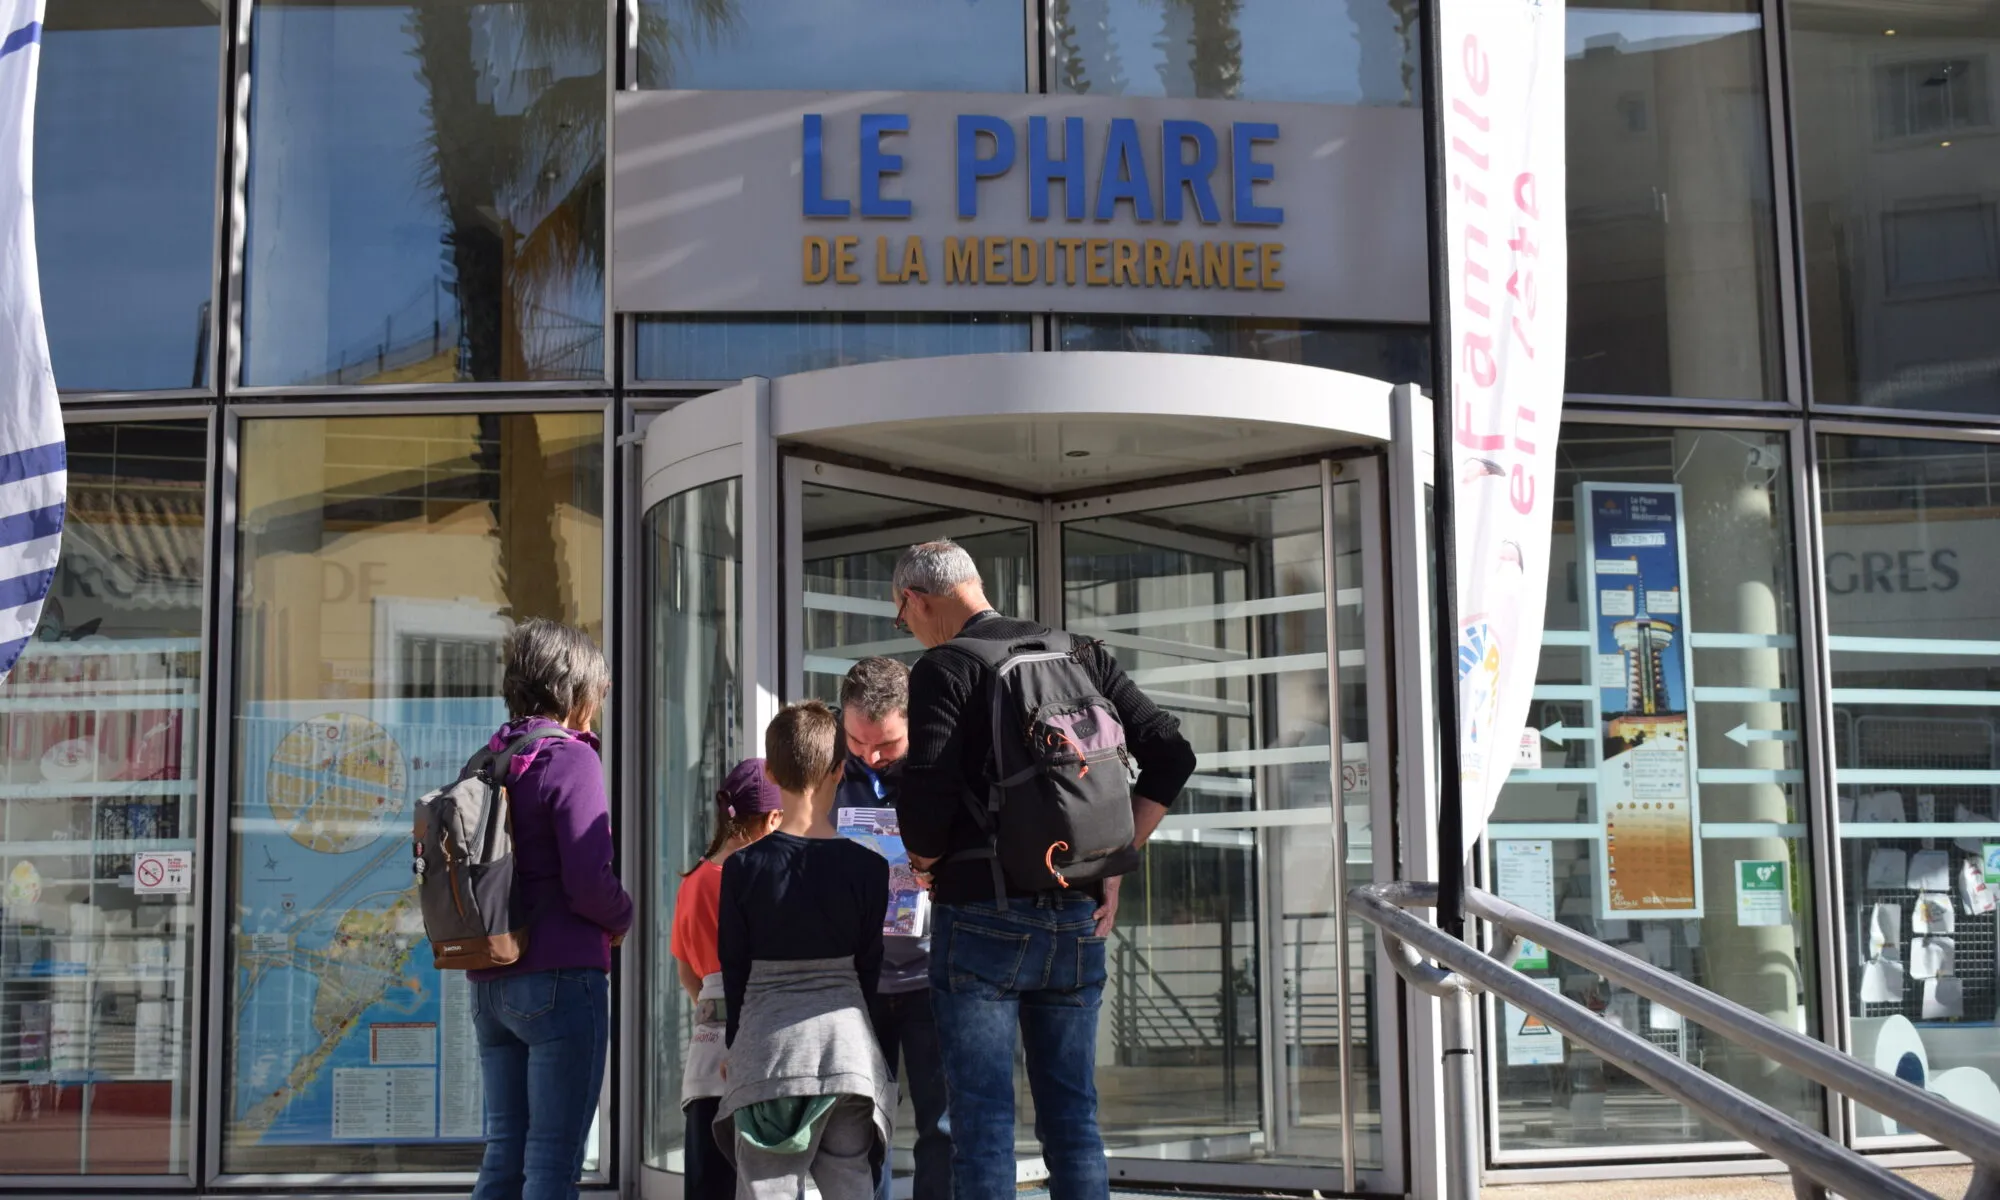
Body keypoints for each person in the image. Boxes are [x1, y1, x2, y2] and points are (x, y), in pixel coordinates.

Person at [889, 541, 1196, 1200]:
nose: (908, 627)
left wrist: (921, 860)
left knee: (982, 1123)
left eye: (902, 615)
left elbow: (927, 811)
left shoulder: (945, 668)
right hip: (1078, 916)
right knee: (1074, 1120)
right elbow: (1172, 755)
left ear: (917, 599)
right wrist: (1114, 860)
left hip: (982, 921)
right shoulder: (1082, 654)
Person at [469, 619, 632, 1200]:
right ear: (575, 690)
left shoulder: (488, 759)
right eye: (598, 693)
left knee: (504, 1152)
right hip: (561, 977)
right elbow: (589, 881)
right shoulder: (570, 759)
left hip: (490, 980)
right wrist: (623, 917)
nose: (599, 706)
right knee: (551, 1162)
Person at [716, 700, 895, 1200]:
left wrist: (735, 1042)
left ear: (770, 771)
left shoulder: (741, 869)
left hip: (767, 1051)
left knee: (767, 1185)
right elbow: (868, 969)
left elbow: (735, 967)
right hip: (846, 1051)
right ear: (841, 769)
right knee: (851, 1181)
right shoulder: (870, 869)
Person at [837, 657, 953, 1200]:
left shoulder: (941, 764)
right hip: (857, 980)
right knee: (862, 1127)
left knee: (942, 1125)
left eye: (886, 744)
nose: (872, 757)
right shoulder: (830, 769)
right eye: (858, 741)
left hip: (933, 975)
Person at [671, 759, 785, 1200]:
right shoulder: (762, 877)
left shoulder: (694, 880)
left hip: (707, 1037)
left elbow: (685, 968)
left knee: (707, 1164)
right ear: (773, 818)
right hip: (760, 1028)